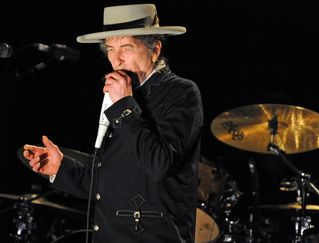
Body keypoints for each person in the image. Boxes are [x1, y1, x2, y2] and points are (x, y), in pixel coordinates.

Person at [22, 3, 203, 243]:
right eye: (110, 48)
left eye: (126, 47)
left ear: (155, 49)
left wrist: (123, 105)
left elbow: (159, 164)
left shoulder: (181, 92)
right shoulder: (122, 96)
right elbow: (111, 182)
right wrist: (60, 168)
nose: (116, 59)